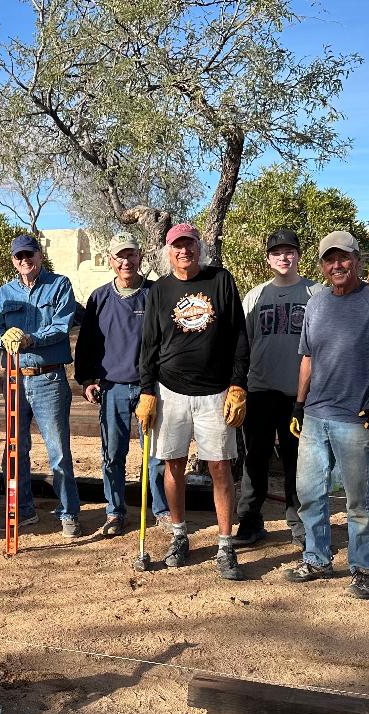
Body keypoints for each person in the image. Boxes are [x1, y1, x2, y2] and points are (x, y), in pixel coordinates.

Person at [285, 230, 369, 600]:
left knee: (358, 501)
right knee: (309, 493)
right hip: (315, 415)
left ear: (357, 260)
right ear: (322, 265)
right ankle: (316, 558)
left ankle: (365, 568)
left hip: (357, 421)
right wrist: (299, 404)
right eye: (329, 259)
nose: (337, 265)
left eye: (343, 257)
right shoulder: (317, 303)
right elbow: (308, 357)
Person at [136, 223, 250, 580]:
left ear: (199, 248)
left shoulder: (221, 280)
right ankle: (179, 535)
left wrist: (238, 383)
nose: (184, 251)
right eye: (177, 246)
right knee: (173, 464)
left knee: (220, 467)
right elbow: (149, 343)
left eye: (189, 245)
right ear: (168, 252)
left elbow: (238, 334)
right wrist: (146, 390)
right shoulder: (160, 289)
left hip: (216, 392)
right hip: (170, 391)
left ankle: (225, 545)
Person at [74, 231, 170, 536]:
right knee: (112, 455)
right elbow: (87, 343)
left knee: (154, 455)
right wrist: (87, 380)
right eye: (120, 256)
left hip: (148, 388)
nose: (126, 261)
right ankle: (115, 512)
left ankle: (162, 510)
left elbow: (166, 340)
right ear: (110, 260)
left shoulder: (155, 293)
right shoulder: (99, 297)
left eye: (131, 254)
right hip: (111, 388)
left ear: (140, 257)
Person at [0, 234, 81, 537]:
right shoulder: (5, 292)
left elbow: (61, 325)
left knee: (58, 450)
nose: (25, 260)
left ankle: (68, 512)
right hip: (15, 378)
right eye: (19, 256)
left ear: (39, 255)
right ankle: (22, 510)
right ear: (13, 261)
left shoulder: (59, 285)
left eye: (29, 254)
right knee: (15, 450)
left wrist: (31, 339)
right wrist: (3, 338)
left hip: (48, 378)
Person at [233, 229, 321, 549]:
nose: (283, 257)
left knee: (296, 460)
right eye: (277, 253)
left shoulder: (316, 293)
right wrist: (238, 384)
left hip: (299, 394)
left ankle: (298, 523)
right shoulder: (256, 296)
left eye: (289, 251)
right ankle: (250, 521)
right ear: (268, 259)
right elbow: (244, 343)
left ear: (298, 255)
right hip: (259, 389)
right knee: (255, 458)